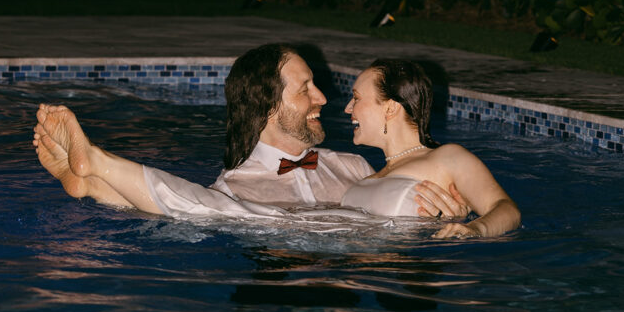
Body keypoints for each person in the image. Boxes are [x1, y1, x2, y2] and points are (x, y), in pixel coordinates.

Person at [33, 44, 466, 222]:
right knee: (225, 214)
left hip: (358, 270)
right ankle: (95, 172)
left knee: (225, 212)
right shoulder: (234, 185)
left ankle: (95, 174)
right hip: (282, 279)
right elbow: (170, 212)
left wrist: (450, 210)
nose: (323, 99)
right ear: (267, 105)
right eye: (305, 89)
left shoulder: (354, 165)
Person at [339, 58, 521, 239]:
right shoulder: (370, 178)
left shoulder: (447, 158)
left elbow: (507, 209)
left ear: (390, 108)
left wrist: (475, 228)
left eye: (356, 98)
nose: (348, 108)